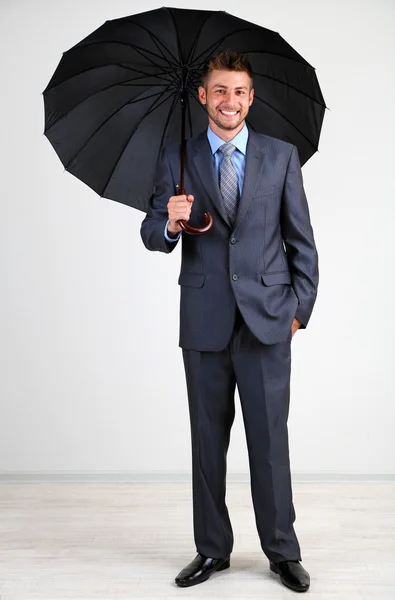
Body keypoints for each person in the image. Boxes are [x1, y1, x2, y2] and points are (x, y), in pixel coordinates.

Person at [140, 50, 319, 593]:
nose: (230, 101)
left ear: (251, 97)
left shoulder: (280, 155)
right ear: (202, 96)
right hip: (205, 320)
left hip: (267, 321)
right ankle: (211, 550)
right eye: (220, 91)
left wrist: (298, 313)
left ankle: (282, 552)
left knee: (269, 443)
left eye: (239, 91)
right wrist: (169, 224)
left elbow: (301, 242)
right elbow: (151, 234)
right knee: (206, 441)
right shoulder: (178, 156)